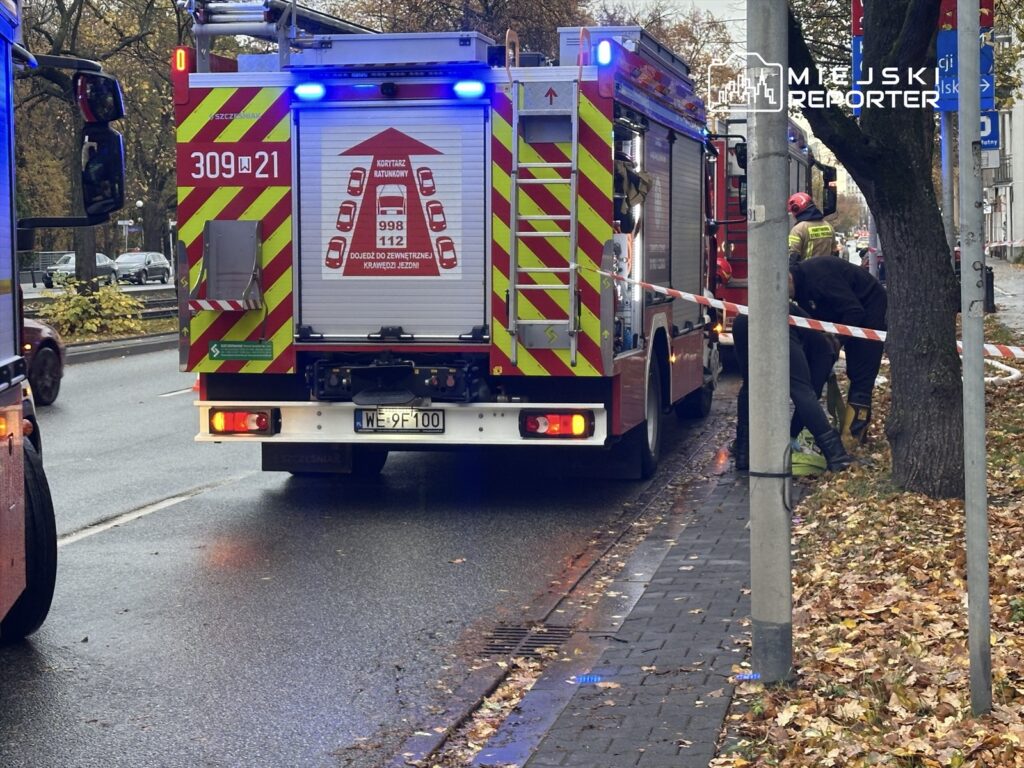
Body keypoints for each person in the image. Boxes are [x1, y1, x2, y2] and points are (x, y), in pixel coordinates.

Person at [732, 308, 854, 473]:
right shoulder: (825, 350)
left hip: (744, 320)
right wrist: (792, 434)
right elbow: (809, 395)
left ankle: (744, 455)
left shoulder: (810, 329)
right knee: (801, 391)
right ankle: (838, 457)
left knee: (752, 385)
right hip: (776, 324)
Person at [788, 257, 887, 443]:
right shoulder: (799, 288)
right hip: (843, 315)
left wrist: (836, 340)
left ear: (788, 279)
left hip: (869, 310)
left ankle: (853, 438)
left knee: (861, 375)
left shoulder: (820, 279)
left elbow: (854, 311)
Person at [786, 192, 836, 266]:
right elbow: (834, 252)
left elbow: (793, 256)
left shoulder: (798, 230)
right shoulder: (828, 226)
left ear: (796, 209)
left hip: (806, 274)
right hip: (826, 273)